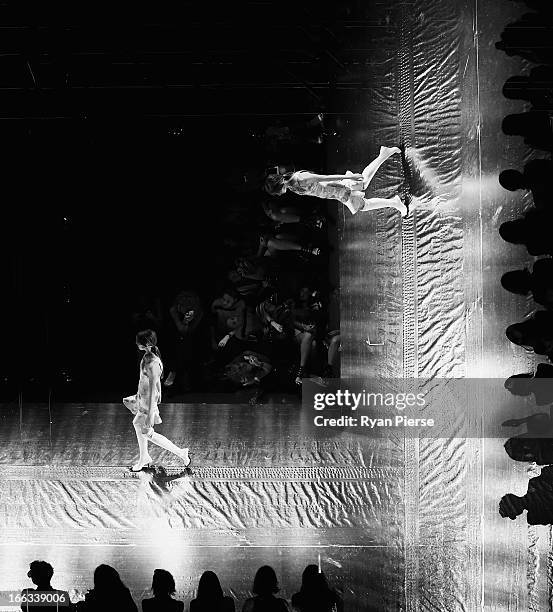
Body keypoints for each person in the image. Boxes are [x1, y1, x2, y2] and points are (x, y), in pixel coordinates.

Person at [263, 146, 409, 216]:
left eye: (277, 192)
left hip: (336, 186)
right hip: (333, 193)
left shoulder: (299, 178)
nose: (279, 195)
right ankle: (384, 155)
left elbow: (325, 178)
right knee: (363, 195)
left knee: (363, 195)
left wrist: (349, 178)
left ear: (280, 184)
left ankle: (395, 202)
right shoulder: (292, 187)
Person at [123, 329, 191, 472]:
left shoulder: (153, 362)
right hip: (144, 398)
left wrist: (150, 414)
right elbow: (149, 381)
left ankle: (181, 453)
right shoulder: (146, 357)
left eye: (139, 342)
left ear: (146, 343)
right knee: (137, 424)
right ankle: (144, 457)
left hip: (148, 401)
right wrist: (139, 395)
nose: (136, 344)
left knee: (147, 432)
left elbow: (154, 384)